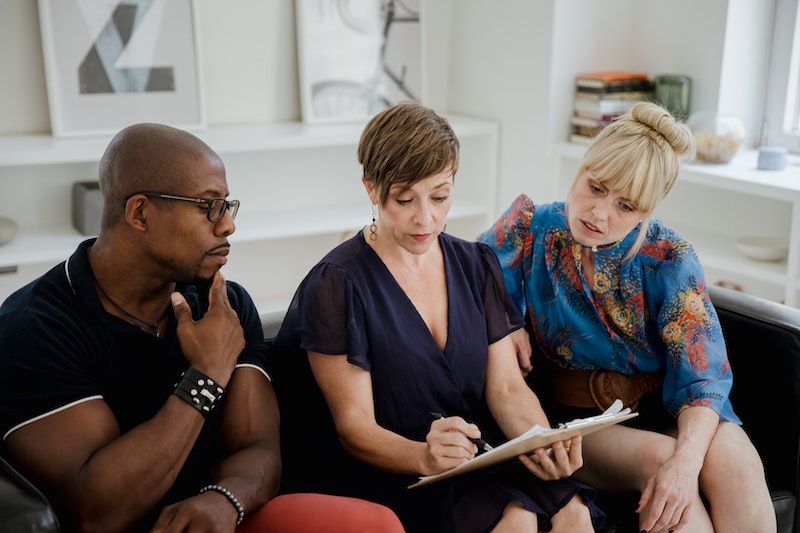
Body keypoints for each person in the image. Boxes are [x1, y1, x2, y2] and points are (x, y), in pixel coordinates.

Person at [0, 123, 405, 533]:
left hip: (225, 516)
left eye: (228, 205)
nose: (227, 225)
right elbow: (99, 511)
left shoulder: (224, 306)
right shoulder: (33, 329)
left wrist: (224, 499)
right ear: (140, 212)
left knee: (375, 524)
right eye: (208, 205)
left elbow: (259, 446)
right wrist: (207, 374)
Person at [273, 100, 605, 533]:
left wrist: (544, 441)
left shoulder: (475, 264)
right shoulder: (337, 284)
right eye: (404, 199)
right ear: (371, 189)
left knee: (574, 510)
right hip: (396, 470)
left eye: (440, 196)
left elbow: (505, 386)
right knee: (517, 518)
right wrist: (423, 456)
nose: (425, 218)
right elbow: (355, 428)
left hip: (476, 454)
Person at [478, 101, 776, 533]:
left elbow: (704, 380)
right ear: (582, 167)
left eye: (626, 206)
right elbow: (463, 281)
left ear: (648, 210)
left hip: (668, 407)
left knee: (736, 464)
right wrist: (508, 325)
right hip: (581, 420)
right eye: (596, 188)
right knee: (661, 463)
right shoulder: (530, 228)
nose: (600, 214)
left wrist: (688, 463)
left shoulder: (669, 258)